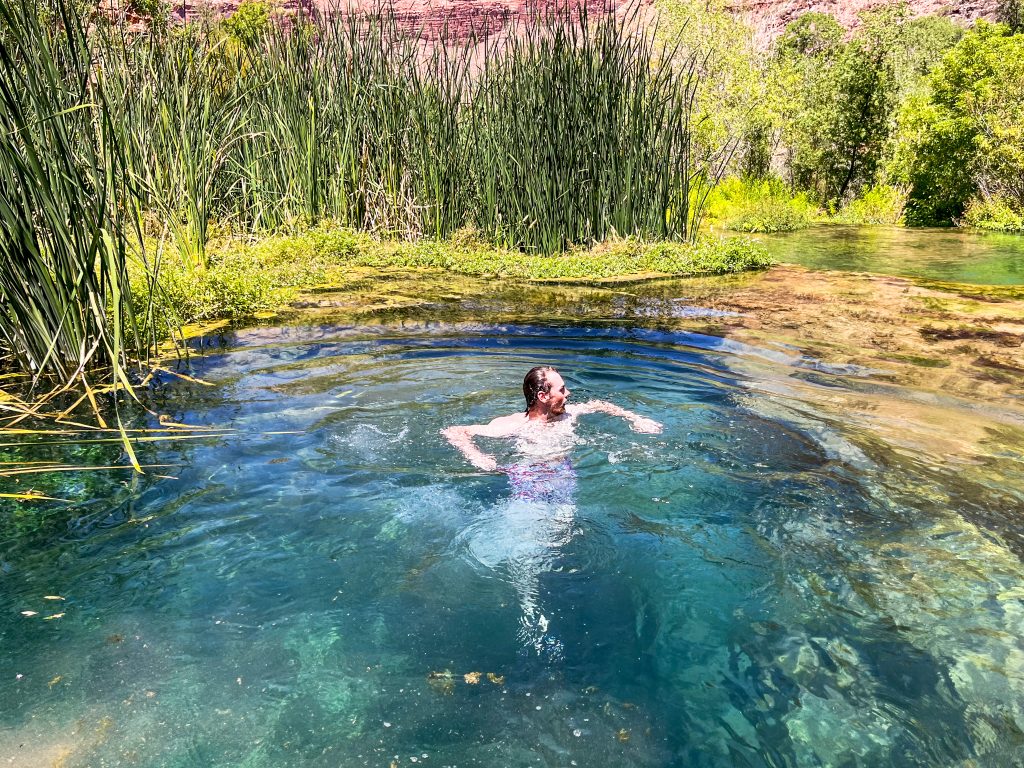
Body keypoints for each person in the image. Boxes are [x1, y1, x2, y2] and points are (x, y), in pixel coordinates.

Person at [442, 366, 662, 472]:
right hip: (528, 479)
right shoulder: (515, 425)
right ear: (543, 396)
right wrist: (477, 457)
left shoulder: (569, 414)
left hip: (565, 475)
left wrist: (635, 418)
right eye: (562, 390)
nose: (568, 394)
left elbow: (599, 404)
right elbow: (454, 431)